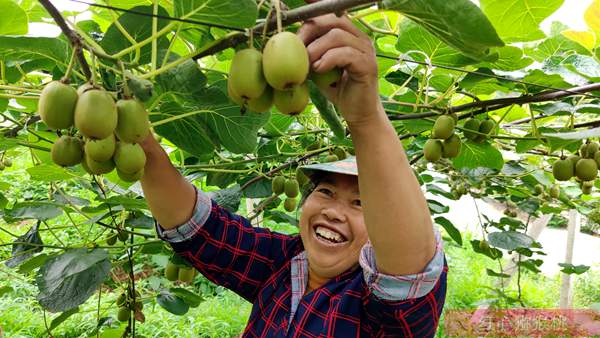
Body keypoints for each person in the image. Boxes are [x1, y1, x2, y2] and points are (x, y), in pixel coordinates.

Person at [140, 12, 447, 338]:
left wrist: (366, 118)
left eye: (360, 203)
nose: (332, 210)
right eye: (325, 191)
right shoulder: (281, 264)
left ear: (382, 229)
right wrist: (139, 140)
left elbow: (409, 272)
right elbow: (198, 229)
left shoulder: (378, 313)